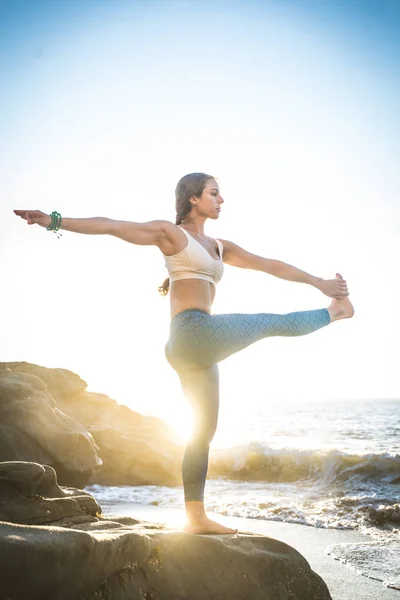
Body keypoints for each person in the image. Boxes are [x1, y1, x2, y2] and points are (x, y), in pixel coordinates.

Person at [14, 172, 354, 535]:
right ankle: (337, 312)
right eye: (214, 193)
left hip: (197, 349)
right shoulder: (172, 234)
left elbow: (271, 265)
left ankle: (195, 517)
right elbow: (112, 226)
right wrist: (53, 220)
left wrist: (319, 282)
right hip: (192, 333)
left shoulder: (219, 246)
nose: (221, 200)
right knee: (267, 322)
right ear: (193, 198)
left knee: (202, 432)